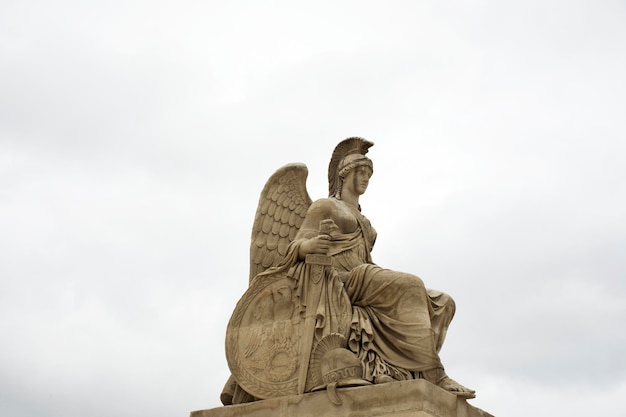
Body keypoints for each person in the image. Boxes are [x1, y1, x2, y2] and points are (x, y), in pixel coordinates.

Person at [285, 138, 475, 398]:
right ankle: (434, 373)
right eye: (360, 172)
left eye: (369, 174)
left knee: (443, 303)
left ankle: (408, 371)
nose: (365, 179)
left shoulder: (363, 217)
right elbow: (293, 247)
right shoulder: (325, 206)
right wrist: (312, 245)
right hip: (343, 279)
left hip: (365, 275)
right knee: (411, 285)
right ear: (345, 174)